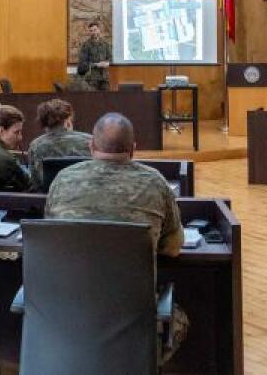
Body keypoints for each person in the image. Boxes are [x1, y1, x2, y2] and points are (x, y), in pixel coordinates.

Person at [44, 112, 188, 362]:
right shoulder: (155, 183)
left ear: (91, 146)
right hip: (132, 316)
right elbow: (173, 248)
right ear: (133, 149)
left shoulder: (63, 180)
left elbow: (52, 236)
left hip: (68, 311)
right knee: (179, 320)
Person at [27, 99, 91, 191]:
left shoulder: (35, 146)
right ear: (67, 121)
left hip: (49, 199)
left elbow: (36, 183)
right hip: (84, 195)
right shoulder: (90, 141)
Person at [75, 21, 112, 91]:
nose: (93, 32)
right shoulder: (86, 45)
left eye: (95, 30)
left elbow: (111, 58)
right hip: (92, 79)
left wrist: (108, 63)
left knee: (106, 99)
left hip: (105, 78)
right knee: (93, 99)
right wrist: (96, 65)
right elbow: (83, 63)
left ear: (99, 30)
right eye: (91, 31)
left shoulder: (106, 44)